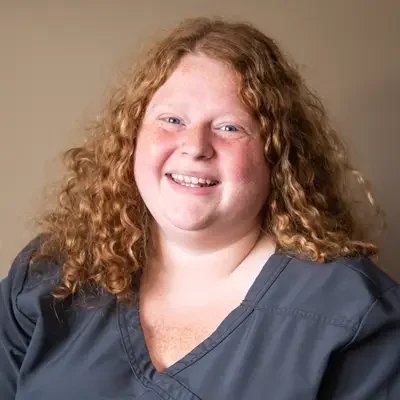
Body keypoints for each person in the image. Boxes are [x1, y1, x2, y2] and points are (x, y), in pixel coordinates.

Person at [1, 17, 399, 400]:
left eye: (229, 127)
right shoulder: (50, 272)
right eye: (172, 119)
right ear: (132, 139)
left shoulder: (356, 314)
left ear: (277, 156)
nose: (195, 146)